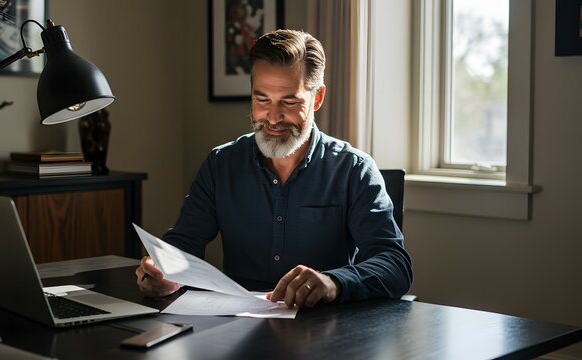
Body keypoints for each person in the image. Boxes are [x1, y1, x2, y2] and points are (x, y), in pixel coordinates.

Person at [136, 29, 413, 308]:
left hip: (324, 331)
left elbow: (394, 264)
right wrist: (163, 270)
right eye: (262, 99)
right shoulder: (221, 165)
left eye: (289, 102)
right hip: (235, 329)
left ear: (317, 98)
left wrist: (333, 282)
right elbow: (184, 243)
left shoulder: (354, 169)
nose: (273, 117)